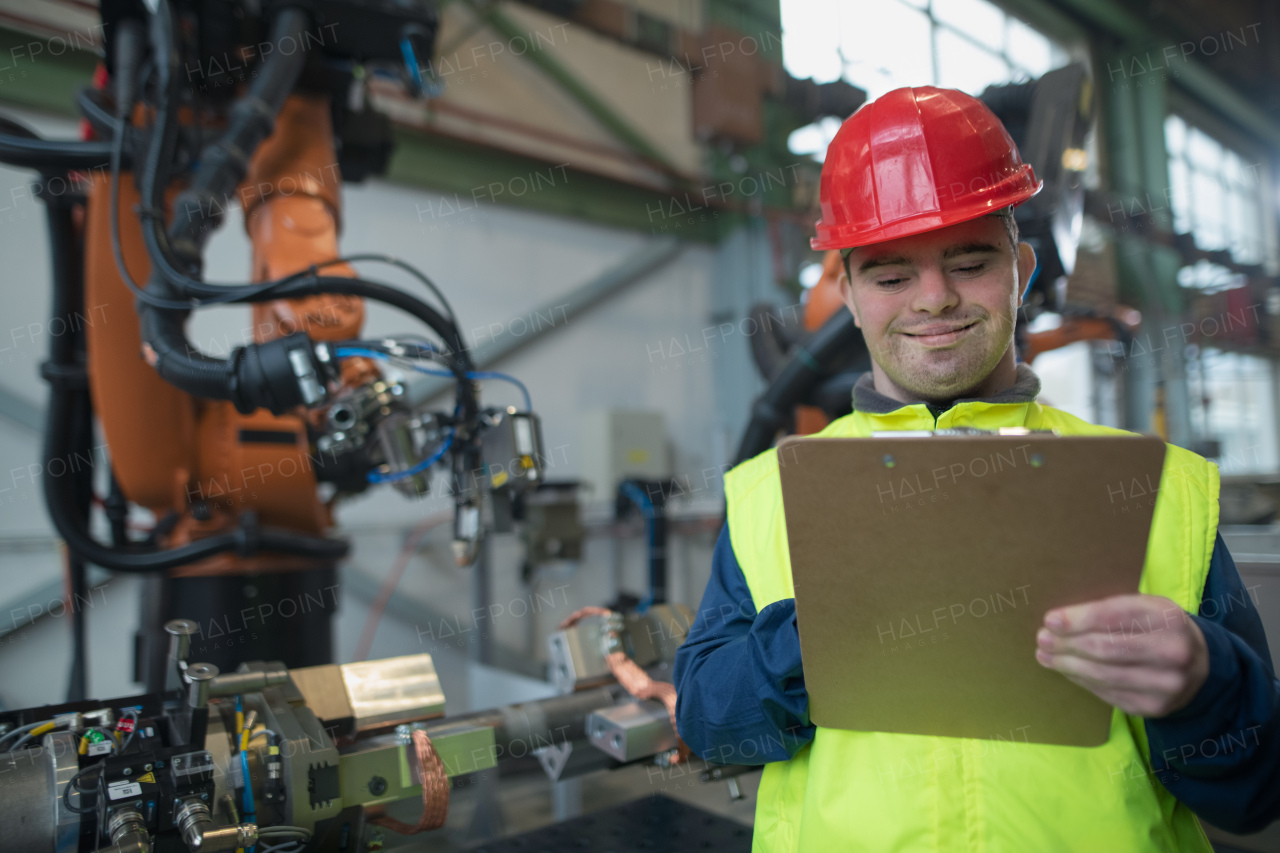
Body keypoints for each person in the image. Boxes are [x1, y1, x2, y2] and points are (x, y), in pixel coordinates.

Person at [673, 86, 1280, 851]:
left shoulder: (1156, 490)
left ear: (1021, 269)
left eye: (970, 260)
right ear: (850, 296)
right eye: (892, 276)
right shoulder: (772, 493)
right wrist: (831, 624)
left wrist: (1205, 684)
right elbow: (711, 723)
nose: (936, 298)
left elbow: (1258, 789)